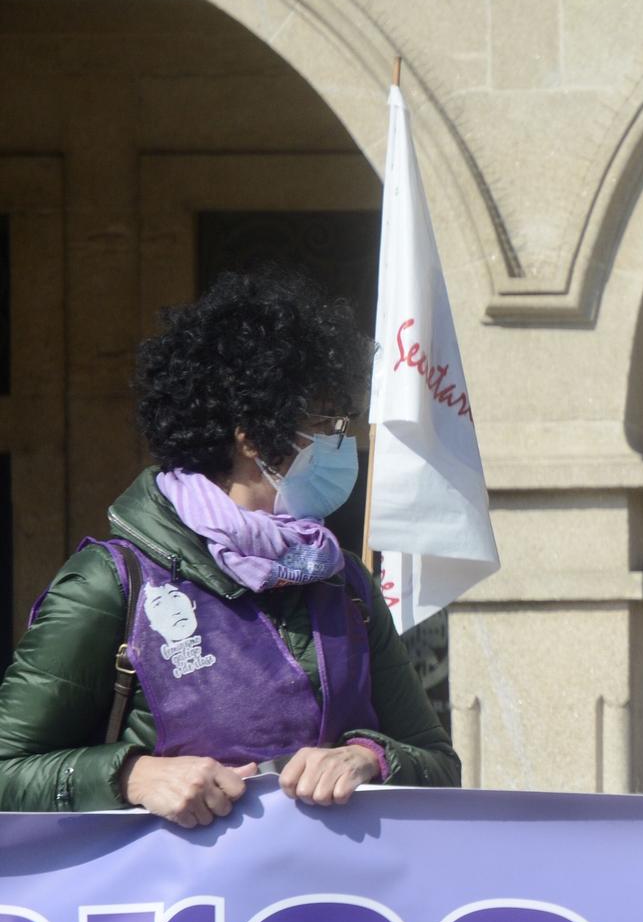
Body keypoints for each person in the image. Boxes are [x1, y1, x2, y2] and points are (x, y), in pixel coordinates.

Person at [0, 270, 459, 825]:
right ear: (251, 434)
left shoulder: (345, 584)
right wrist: (132, 776)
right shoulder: (112, 582)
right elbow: (10, 767)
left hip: (335, 904)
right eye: (327, 423)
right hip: (176, 908)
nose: (344, 442)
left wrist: (370, 757)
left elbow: (437, 761)